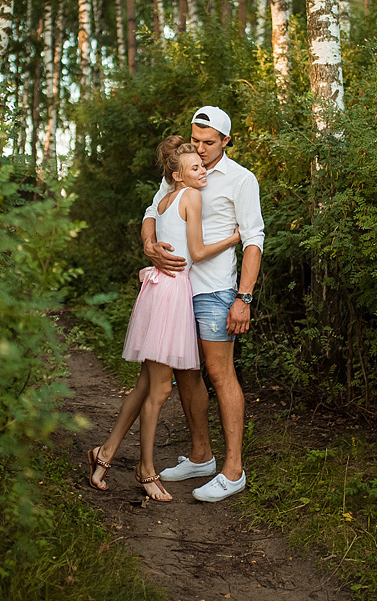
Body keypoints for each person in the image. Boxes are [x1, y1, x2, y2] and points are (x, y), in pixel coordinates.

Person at [87, 136, 241, 502]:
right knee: (159, 390)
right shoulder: (191, 196)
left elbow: (154, 220)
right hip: (172, 293)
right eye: (195, 167)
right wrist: (234, 237)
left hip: (159, 290)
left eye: (202, 165)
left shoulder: (166, 199)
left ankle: (104, 453)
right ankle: (145, 469)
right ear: (177, 174)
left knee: (145, 384)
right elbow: (197, 252)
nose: (203, 171)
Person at [143, 106, 264, 503]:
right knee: (186, 372)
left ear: (226, 140)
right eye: (195, 140)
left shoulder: (241, 179)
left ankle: (233, 471)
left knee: (219, 372)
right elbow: (151, 212)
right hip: (176, 289)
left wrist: (243, 297)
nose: (200, 148)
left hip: (215, 291)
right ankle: (200, 456)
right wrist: (149, 245)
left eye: (209, 142)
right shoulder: (181, 171)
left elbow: (253, 239)